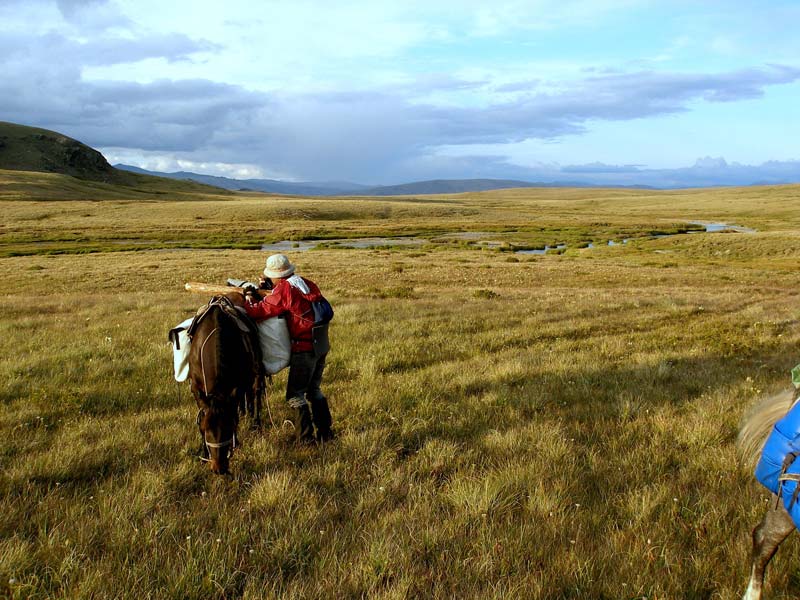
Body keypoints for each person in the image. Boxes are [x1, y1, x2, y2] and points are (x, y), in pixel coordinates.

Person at [243, 254, 333, 443]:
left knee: (295, 395)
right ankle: (325, 432)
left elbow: (259, 312)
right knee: (314, 389)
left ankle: (306, 439)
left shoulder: (283, 289)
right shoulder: (305, 283)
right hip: (320, 344)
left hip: (303, 348)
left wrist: (249, 299)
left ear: (276, 275)